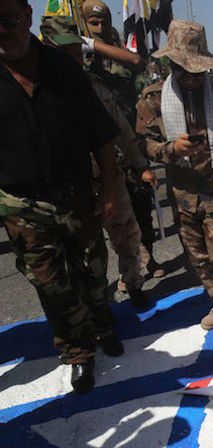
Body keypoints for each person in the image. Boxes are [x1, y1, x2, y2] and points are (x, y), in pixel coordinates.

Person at [0, 0, 122, 393]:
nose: (3, 31)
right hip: (21, 204)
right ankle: (77, 352)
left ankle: (103, 326)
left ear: (27, 16)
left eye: (8, 20)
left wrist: (109, 189)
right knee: (49, 282)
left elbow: (102, 134)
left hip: (76, 195)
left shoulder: (63, 68)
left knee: (92, 268)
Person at [141, 20, 213, 349]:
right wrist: (169, 150)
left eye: (198, 72)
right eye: (185, 71)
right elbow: (143, 143)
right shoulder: (154, 99)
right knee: (198, 259)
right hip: (183, 196)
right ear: (171, 65)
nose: (192, 78)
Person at [39, 15, 155, 309]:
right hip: (68, 185)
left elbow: (122, 130)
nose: (75, 57)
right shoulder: (36, 90)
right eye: (66, 51)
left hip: (109, 175)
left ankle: (132, 284)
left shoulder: (96, 86)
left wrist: (140, 165)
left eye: (77, 50)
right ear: (47, 47)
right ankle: (95, 301)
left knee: (128, 235)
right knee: (84, 250)